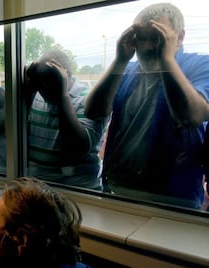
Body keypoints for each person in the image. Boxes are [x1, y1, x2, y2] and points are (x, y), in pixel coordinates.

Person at [84, 3, 209, 209]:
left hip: (174, 202)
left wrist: (166, 59)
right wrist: (120, 60)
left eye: (157, 38)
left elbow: (190, 116)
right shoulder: (127, 70)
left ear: (179, 37)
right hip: (117, 191)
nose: (148, 47)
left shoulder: (200, 65)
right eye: (141, 38)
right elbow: (94, 111)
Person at [25, 49, 108, 190]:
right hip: (39, 187)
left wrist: (62, 95)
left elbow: (79, 146)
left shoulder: (88, 99)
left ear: (66, 75)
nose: (44, 87)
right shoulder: (36, 93)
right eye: (41, 80)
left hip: (78, 188)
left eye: (50, 79)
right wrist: (29, 87)